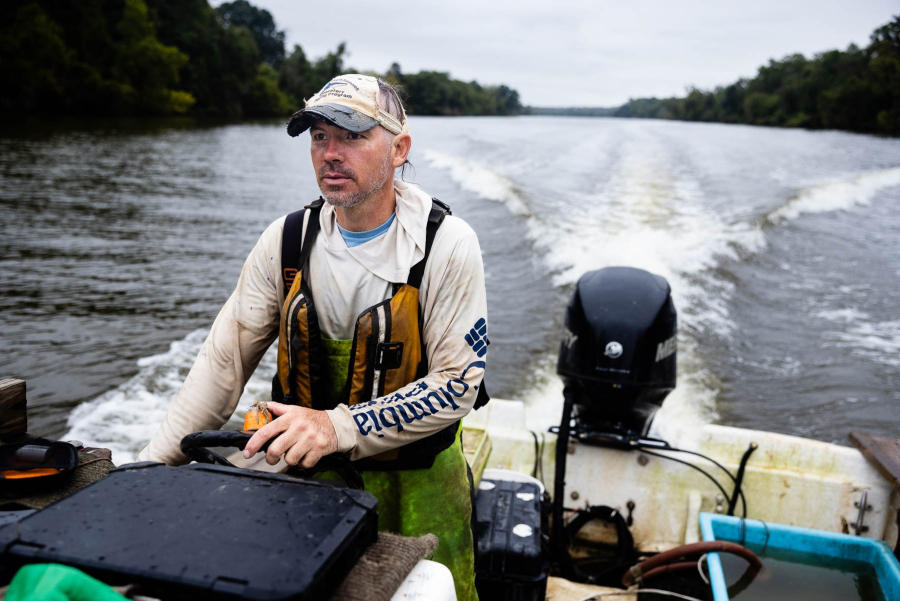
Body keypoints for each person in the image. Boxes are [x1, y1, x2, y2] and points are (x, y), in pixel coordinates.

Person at [138, 74, 488, 601]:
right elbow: (222, 365)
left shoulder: (446, 245)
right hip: (307, 477)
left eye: (351, 136)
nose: (330, 154)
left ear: (399, 149)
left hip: (420, 481)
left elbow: (457, 384)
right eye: (319, 137)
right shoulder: (285, 241)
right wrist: (147, 471)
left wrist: (334, 426)